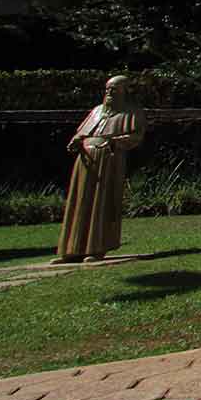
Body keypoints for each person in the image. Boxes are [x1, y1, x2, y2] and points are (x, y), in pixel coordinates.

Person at [53, 75, 146, 263]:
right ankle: (71, 249)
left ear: (124, 91)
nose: (109, 92)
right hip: (85, 161)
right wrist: (76, 141)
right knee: (79, 202)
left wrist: (113, 142)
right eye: (107, 89)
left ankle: (96, 248)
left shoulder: (132, 112)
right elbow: (82, 132)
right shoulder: (96, 111)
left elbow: (135, 136)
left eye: (114, 89)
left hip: (108, 161)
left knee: (101, 202)